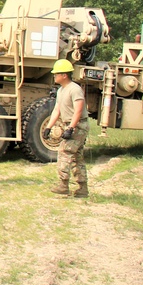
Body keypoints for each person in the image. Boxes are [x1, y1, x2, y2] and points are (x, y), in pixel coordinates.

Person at [43, 59, 89, 197]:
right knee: (76, 157)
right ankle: (82, 188)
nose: (54, 76)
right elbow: (57, 110)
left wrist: (71, 128)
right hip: (70, 125)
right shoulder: (61, 90)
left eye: (56, 74)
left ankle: (63, 185)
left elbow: (78, 111)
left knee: (64, 151)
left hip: (78, 126)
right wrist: (48, 127)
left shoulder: (75, 89)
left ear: (64, 75)